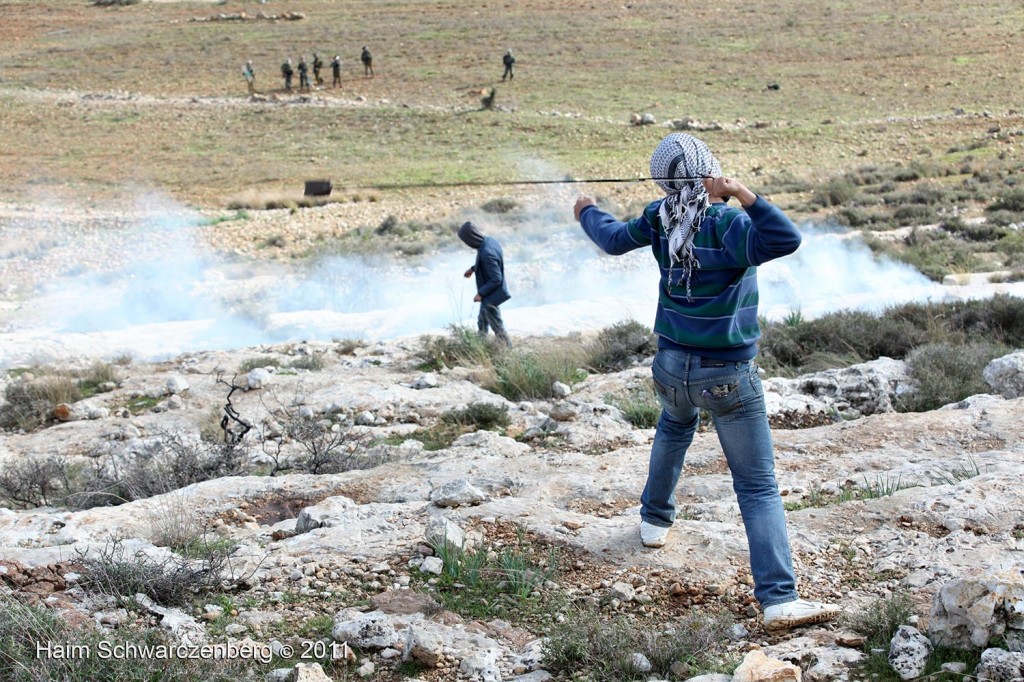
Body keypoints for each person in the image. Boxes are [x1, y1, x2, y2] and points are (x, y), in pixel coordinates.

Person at [573, 132, 841, 632]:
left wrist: (587, 209)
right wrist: (744, 194)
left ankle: (654, 522)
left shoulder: (660, 217)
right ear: (708, 173)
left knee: (674, 429)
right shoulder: (731, 223)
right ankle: (780, 598)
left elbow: (611, 238)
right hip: (728, 376)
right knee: (758, 485)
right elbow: (785, 239)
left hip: (672, 367)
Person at [458, 221, 511, 346]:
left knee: (497, 325)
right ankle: (480, 347)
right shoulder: (489, 241)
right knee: (482, 321)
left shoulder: (487, 252)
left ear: (471, 238)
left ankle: (508, 350)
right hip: (490, 294)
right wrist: (473, 268)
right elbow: (487, 263)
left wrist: (481, 293)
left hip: (492, 295)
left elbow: (496, 278)